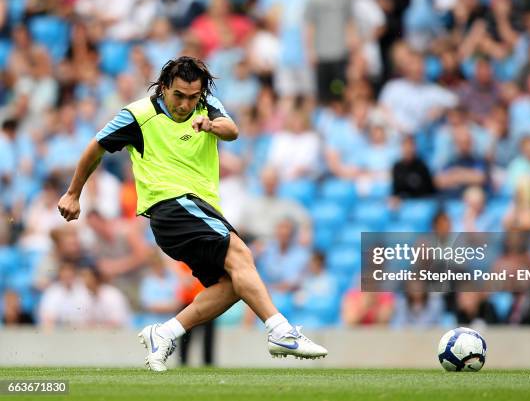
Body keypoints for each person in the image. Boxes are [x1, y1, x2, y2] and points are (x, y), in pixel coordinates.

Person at [57, 56, 327, 372]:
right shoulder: (137, 115)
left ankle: (164, 333)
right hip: (171, 206)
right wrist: (73, 193)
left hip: (198, 209)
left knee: (233, 285)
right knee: (241, 254)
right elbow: (96, 147)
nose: (186, 104)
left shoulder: (206, 104)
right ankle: (280, 331)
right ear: (163, 87)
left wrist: (210, 124)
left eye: (192, 97)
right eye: (179, 96)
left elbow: (232, 130)